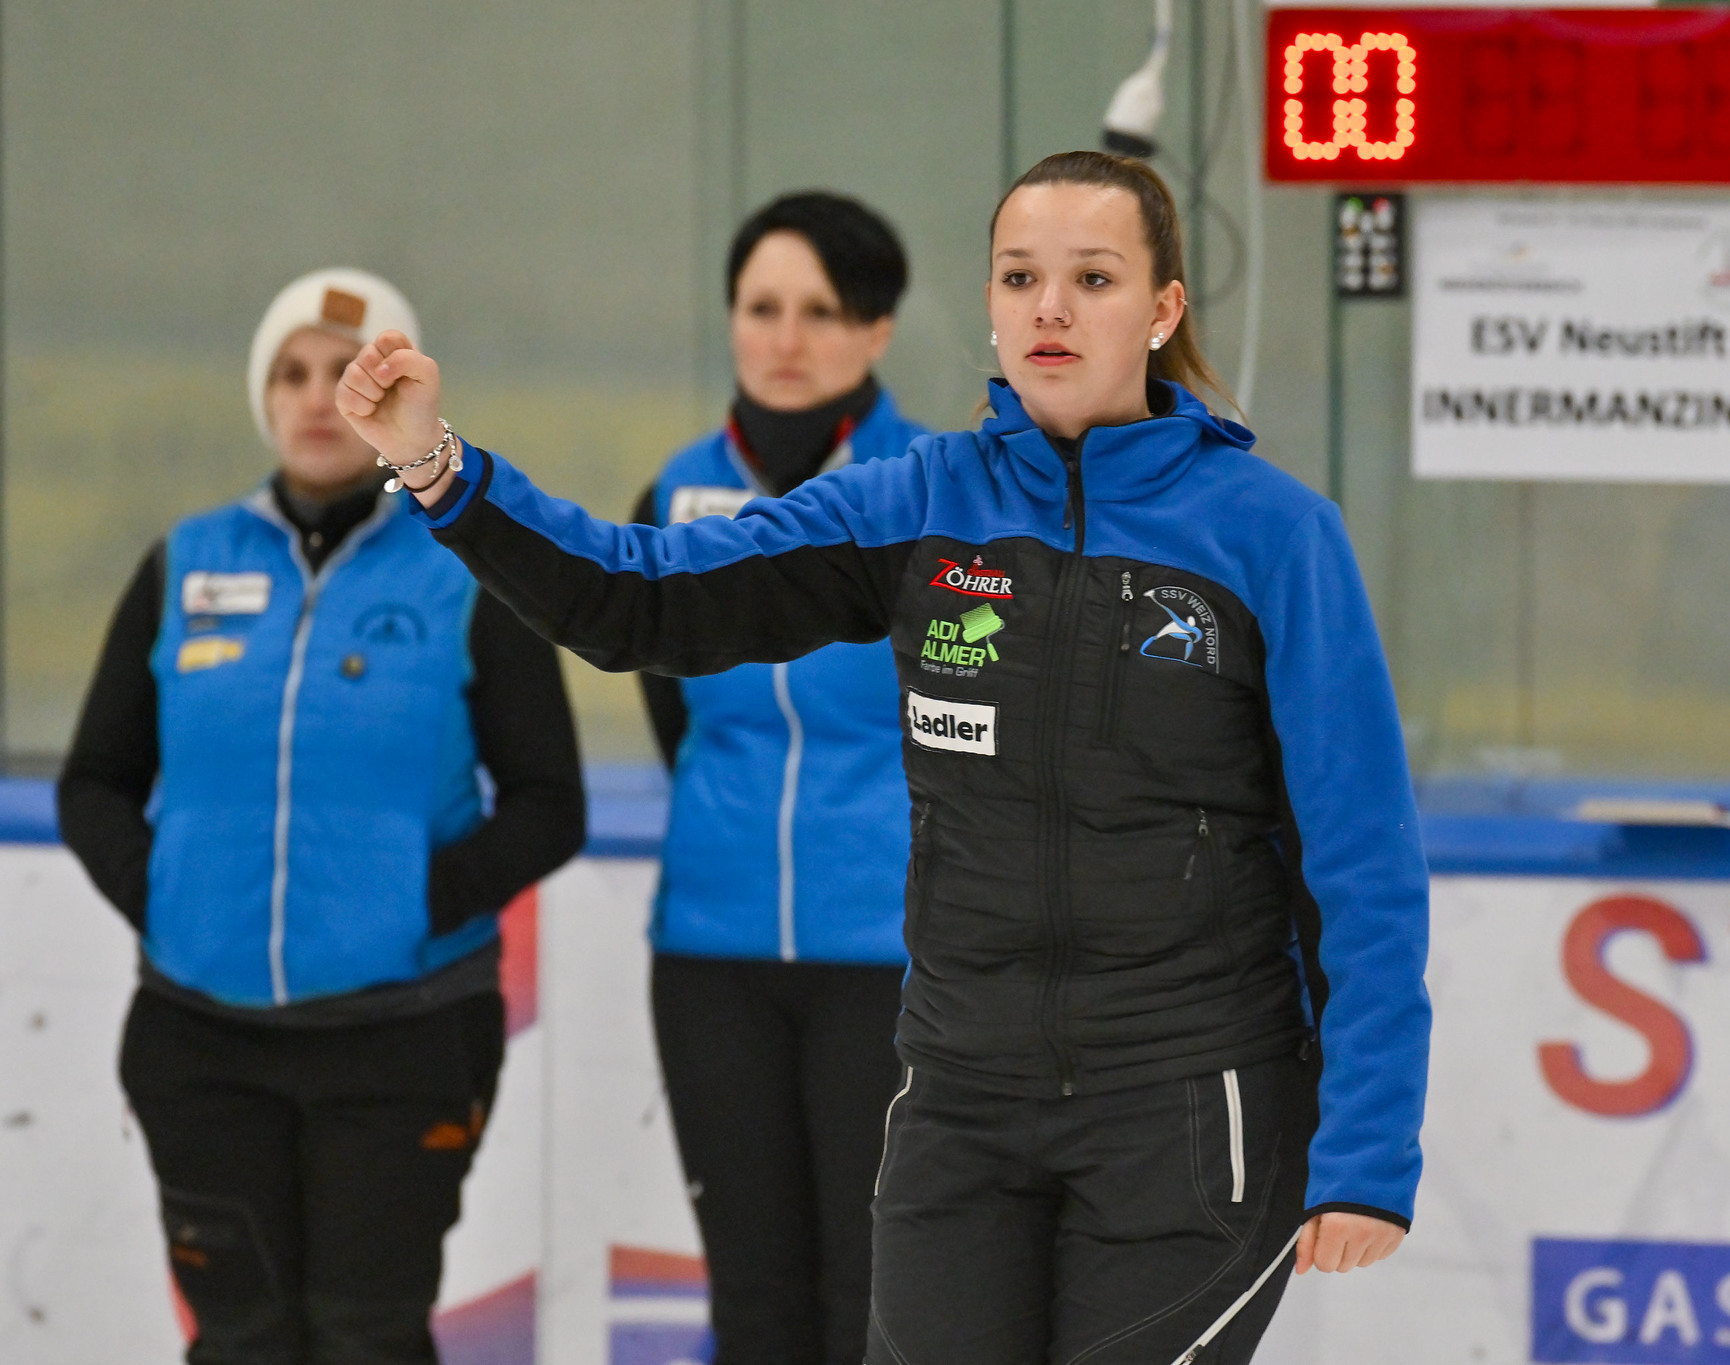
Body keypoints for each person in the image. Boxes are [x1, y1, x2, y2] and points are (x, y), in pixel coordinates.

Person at [338, 150, 1429, 1365]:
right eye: (1020, 277)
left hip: (1190, 1111)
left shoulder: (1271, 532)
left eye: (1092, 277)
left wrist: (1367, 1148)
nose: (1049, 309)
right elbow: (639, 600)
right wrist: (438, 468)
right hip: (960, 1107)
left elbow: (1360, 857)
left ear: (1162, 308)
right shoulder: (914, 502)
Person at [59, 267, 585, 1364]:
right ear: (263, 394)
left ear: (399, 394)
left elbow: (549, 805)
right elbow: (94, 781)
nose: (315, 397)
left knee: (367, 1333)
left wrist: (414, 904)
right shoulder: (185, 564)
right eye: (291, 373)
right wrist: (168, 897)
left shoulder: (471, 571)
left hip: (403, 1039)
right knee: (241, 1335)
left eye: (344, 373)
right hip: (201, 1039)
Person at [630, 192, 924, 1365]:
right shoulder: (674, 494)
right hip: (713, 953)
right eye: (761, 307)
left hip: (892, 957)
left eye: (820, 310)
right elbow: (669, 699)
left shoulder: (933, 491)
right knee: (751, 1301)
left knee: (876, 1293)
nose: (785, 338)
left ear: (878, 331)